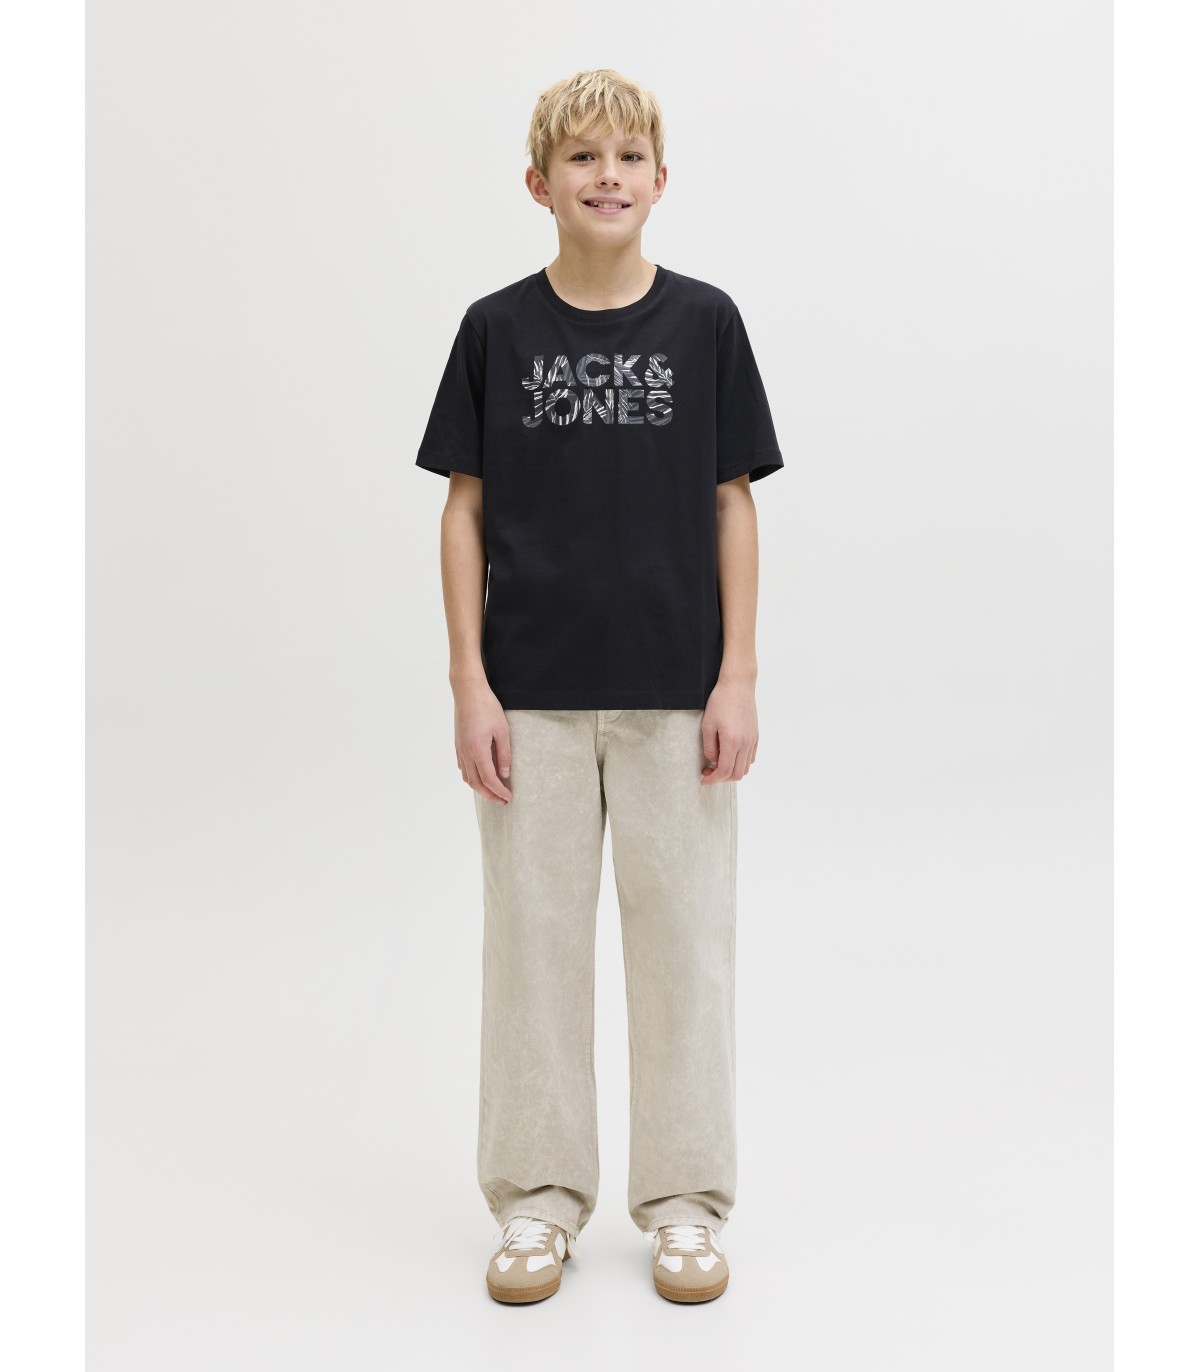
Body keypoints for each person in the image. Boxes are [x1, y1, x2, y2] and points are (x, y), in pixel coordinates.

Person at [414, 67, 784, 1305]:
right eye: (582, 158)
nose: (607, 176)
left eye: (628, 157)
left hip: (680, 695)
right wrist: (470, 683)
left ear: (661, 180)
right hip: (531, 698)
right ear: (539, 183)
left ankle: (684, 1203)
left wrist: (738, 674)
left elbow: (732, 502)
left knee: (686, 953)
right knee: (533, 951)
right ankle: (537, 1200)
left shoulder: (707, 324)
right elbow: (463, 511)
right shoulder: (496, 330)